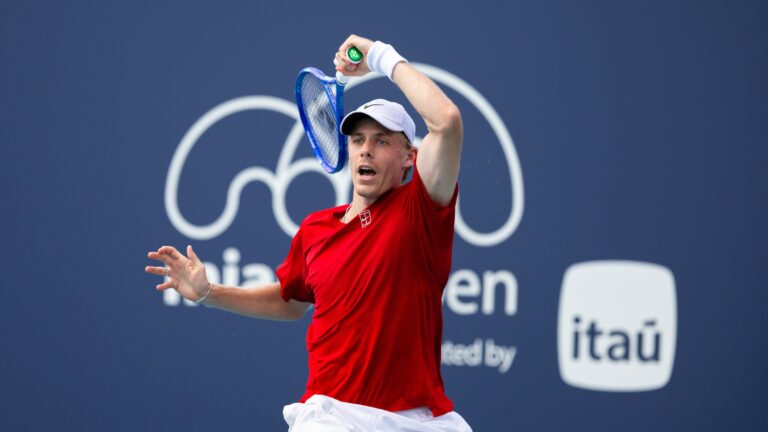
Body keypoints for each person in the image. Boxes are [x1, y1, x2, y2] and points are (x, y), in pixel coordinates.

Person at [146, 35, 470, 432]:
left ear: (409, 159)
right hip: (332, 415)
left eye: (382, 141)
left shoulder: (420, 209)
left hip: (419, 420)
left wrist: (381, 58)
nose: (365, 150)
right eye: (357, 140)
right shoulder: (316, 229)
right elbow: (290, 301)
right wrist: (211, 293)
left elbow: (447, 121)